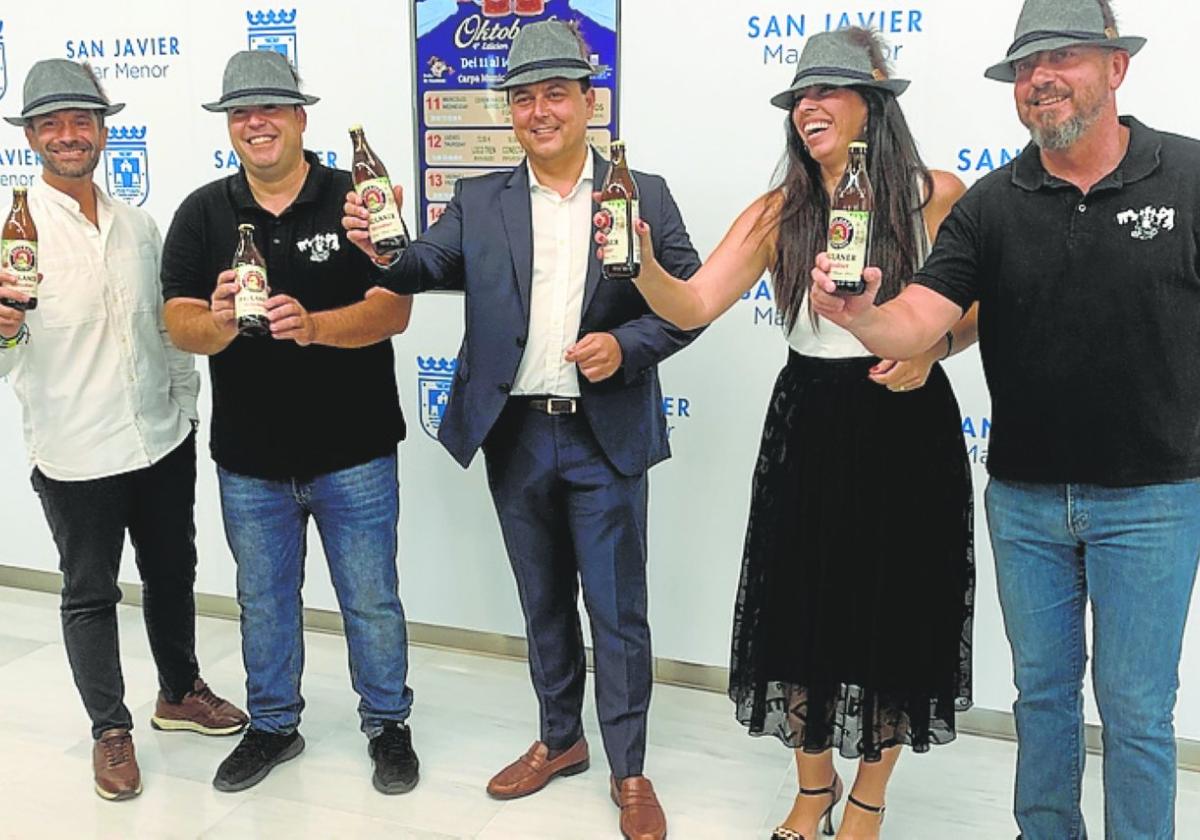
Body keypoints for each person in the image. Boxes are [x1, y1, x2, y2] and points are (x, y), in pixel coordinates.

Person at [811, 3, 1199, 839]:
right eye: (1026, 66)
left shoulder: (1190, 176)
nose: (1041, 78)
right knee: (1045, 699)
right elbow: (918, 320)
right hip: (1024, 501)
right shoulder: (993, 202)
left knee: (1135, 710)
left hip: (1155, 499)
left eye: (1062, 57)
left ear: (1116, 68)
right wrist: (863, 317)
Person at [600, 29, 975, 840]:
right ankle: (813, 791)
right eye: (800, 96)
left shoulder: (935, 193)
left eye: (828, 91)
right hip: (809, 415)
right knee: (799, 608)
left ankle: (869, 798)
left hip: (907, 420)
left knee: (898, 607)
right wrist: (639, 269)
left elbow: (977, 311)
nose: (809, 106)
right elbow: (693, 305)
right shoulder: (780, 211)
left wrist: (932, 350)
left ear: (873, 103)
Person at [344, 20, 700, 840]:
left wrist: (628, 344)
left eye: (555, 93)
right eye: (524, 97)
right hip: (516, 434)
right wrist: (381, 247)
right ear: (510, 111)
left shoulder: (641, 190)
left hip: (605, 436)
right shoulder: (478, 200)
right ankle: (559, 740)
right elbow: (421, 266)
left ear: (586, 101)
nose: (540, 110)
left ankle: (631, 769)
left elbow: (690, 301)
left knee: (617, 611)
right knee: (542, 604)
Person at [160, 51, 418, 796]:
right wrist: (215, 324)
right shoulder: (203, 211)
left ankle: (388, 724)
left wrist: (312, 326)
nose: (257, 122)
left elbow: (393, 309)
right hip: (249, 458)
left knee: (371, 599)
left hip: (356, 450)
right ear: (229, 127)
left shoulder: (354, 200)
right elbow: (177, 322)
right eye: (242, 112)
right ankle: (275, 724)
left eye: (271, 108)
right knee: (263, 600)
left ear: (302, 117)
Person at [0, 59, 247, 802]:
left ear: (104, 130)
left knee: (173, 575)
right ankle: (111, 730)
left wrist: (184, 410)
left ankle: (179, 692)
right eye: (52, 124)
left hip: (161, 440)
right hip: (76, 452)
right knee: (89, 593)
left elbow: (168, 329)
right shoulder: (12, 237)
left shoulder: (140, 223)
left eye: (82, 120)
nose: (69, 135)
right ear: (33, 137)